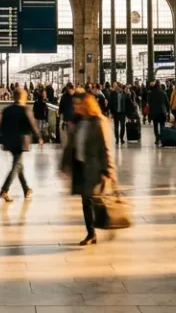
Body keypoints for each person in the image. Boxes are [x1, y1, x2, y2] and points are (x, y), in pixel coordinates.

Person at [61, 93, 116, 246]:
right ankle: (91, 233)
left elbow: (106, 148)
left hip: (95, 167)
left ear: (88, 105)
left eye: (79, 104)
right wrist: (65, 164)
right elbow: (70, 145)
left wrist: (108, 170)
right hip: (81, 166)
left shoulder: (98, 122)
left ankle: (107, 223)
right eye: (75, 104)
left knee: (94, 199)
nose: (76, 107)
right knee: (86, 200)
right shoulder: (78, 121)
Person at [0, 89, 42, 202]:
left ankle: (26, 189)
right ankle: (5, 189)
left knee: (19, 165)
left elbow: (2, 127)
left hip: (9, 141)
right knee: (16, 165)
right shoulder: (25, 109)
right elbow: (32, 125)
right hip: (21, 141)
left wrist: (4, 139)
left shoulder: (7, 110)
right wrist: (39, 137)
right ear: (23, 97)